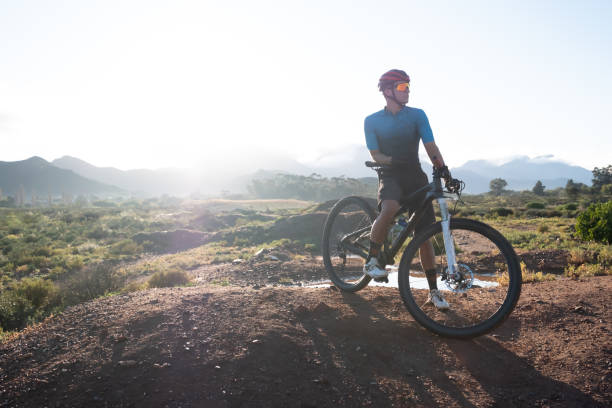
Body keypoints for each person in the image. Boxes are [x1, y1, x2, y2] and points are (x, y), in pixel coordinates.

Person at [363, 69, 449, 310]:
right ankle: (371, 260)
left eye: (409, 86)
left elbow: (430, 144)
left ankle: (433, 293)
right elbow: (376, 154)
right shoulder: (372, 121)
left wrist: (443, 168)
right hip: (390, 174)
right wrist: (392, 161)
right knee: (390, 207)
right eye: (402, 87)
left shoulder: (417, 115)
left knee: (423, 235)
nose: (408, 91)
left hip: (415, 176)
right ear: (388, 91)